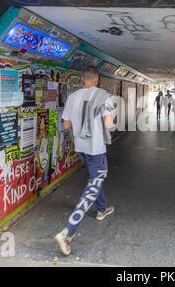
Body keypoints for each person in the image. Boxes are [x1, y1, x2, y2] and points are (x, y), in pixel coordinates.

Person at [54, 65, 117, 256]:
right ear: (96, 79)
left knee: (94, 179)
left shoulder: (72, 97)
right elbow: (108, 124)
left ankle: (102, 208)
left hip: (81, 148)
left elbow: (66, 124)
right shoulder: (103, 96)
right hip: (96, 148)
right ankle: (68, 231)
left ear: (83, 79)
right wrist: (112, 113)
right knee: (93, 183)